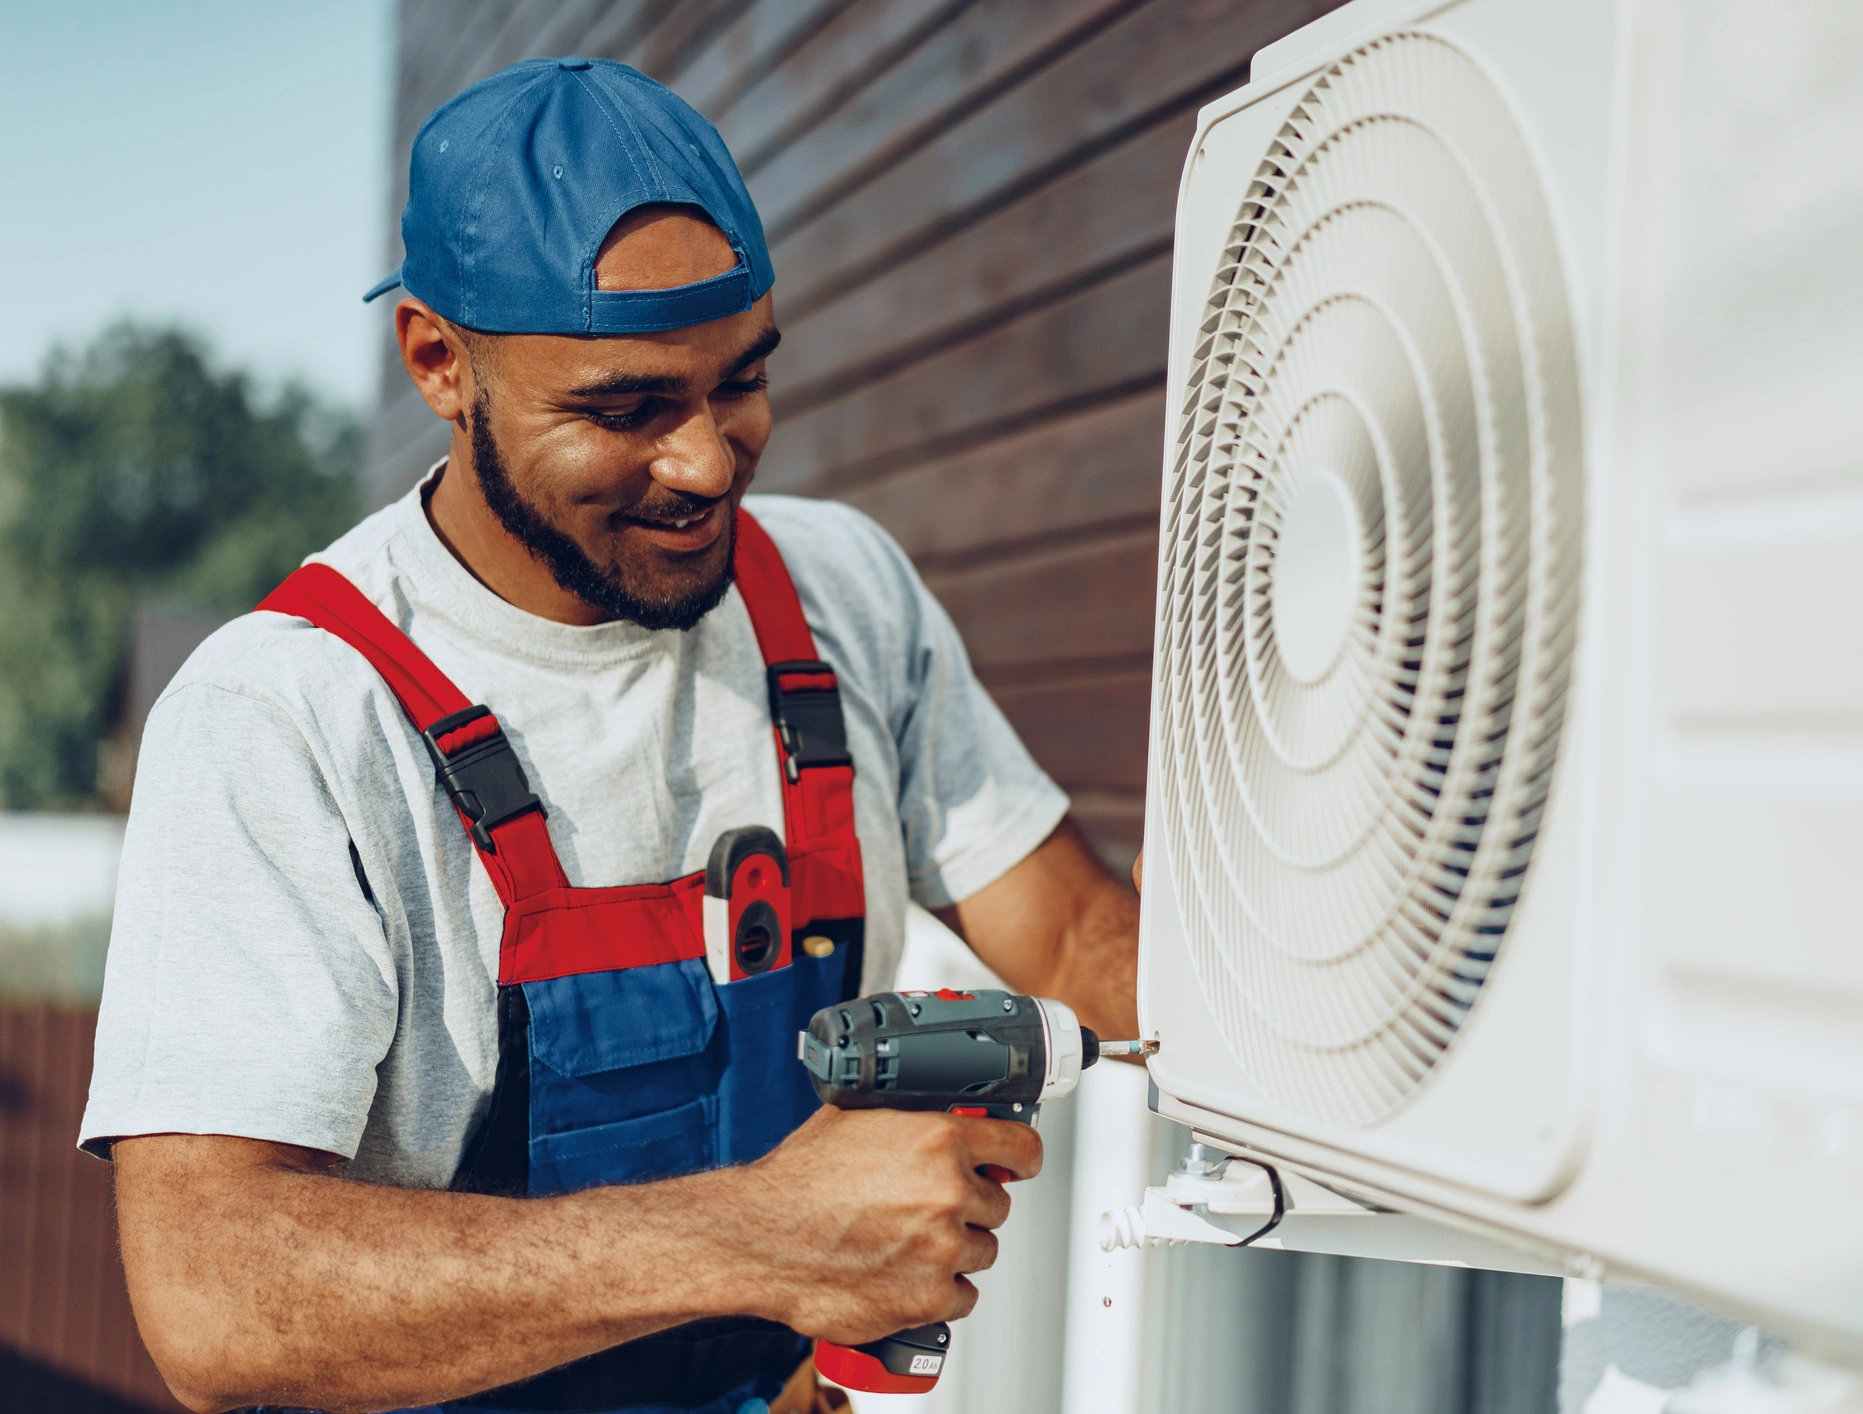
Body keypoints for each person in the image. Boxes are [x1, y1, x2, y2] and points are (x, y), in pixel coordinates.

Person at [80, 57, 1141, 1414]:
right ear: (439, 362)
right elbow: (212, 1294)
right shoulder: (288, 717)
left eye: (741, 380)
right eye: (626, 408)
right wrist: (769, 1234)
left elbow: (1065, 936)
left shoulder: (839, 595)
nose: (706, 463)